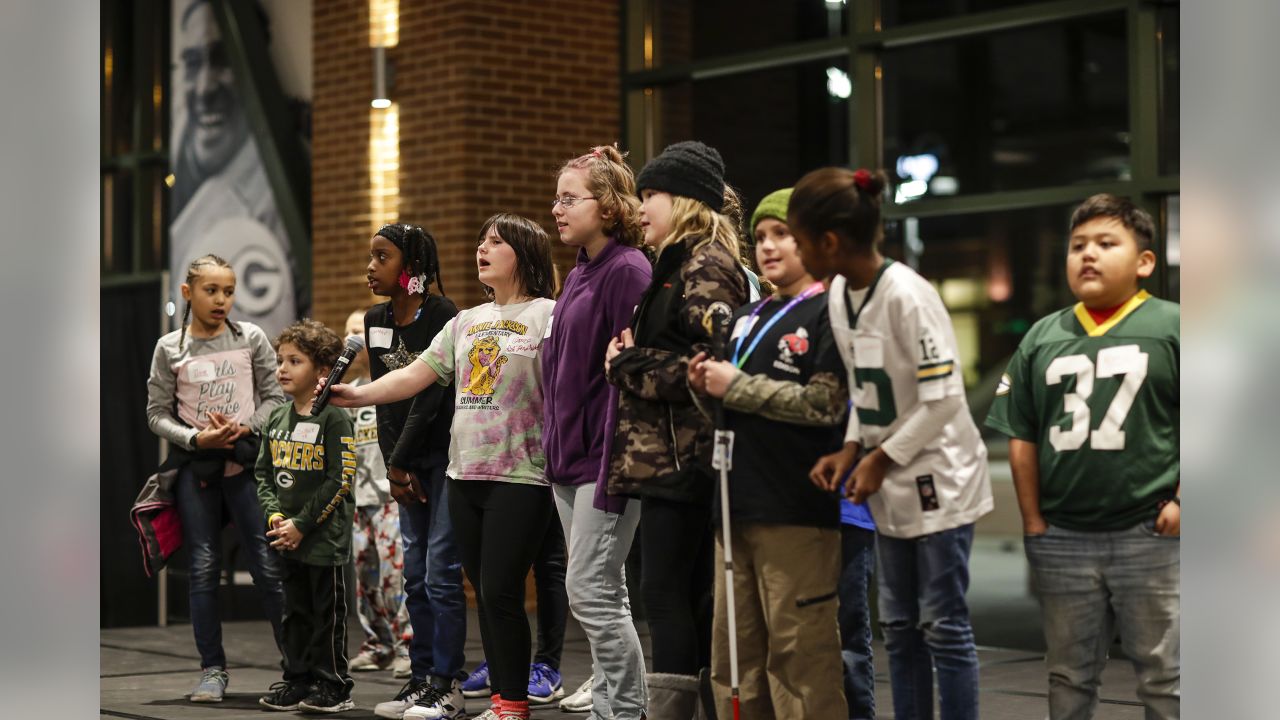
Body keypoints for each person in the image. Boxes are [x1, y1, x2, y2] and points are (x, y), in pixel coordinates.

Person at [325, 213, 558, 720]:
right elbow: (415, 376)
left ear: (525, 253)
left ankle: (508, 703)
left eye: (496, 242)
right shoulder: (465, 322)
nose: (483, 247)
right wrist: (355, 394)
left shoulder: (549, 315)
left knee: (497, 592)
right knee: (478, 592)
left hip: (521, 473)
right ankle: (500, 702)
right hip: (463, 474)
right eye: (481, 239)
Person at [791, 167, 993, 720]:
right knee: (899, 627)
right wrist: (852, 449)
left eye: (800, 239)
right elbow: (867, 390)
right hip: (889, 478)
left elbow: (945, 398)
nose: (797, 251)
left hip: (940, 477)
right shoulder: (837, 294)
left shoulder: (908, 294)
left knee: (943, 624)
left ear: (829, 241)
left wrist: (880, 457)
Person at [985, 194, 1180, 720]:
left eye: (1106, 243)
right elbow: (1021, 432)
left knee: (1164, 676)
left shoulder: (1175, 326)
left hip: (1150, 529)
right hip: (1064, 534)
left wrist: (1183, 503)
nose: (1087, 255)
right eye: (1077, 246)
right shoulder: (1043, 336)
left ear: (1144, 262)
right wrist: (1033, 521)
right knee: (1068, 675)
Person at [687, 186, 849, 718]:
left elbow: (826, 403)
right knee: (734, 660)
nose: (769, 246)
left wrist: (734, 387)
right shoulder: (744, 318)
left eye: (784, 233)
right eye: (760, 236)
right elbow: (728, 408)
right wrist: (702, 386)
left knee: (800, 657)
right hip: (734, 506)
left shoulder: (832, 310)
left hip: (794, 506)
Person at [604, 140, 749, 717]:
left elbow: (713, 371)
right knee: (678, 597)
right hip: (664, 458)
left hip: (686, 459)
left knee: (668, 595)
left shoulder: (706, 264)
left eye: (651, 194)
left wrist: (626, 365)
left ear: (687, 200)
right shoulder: (676, 264)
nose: (640, 206)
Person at [539, 144, 653, 719]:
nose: (556, 209)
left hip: (604, 464)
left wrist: (610, 467)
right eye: (555, 198)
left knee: (589, 592)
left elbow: (627, 380)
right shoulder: (580, 272)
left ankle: (626, 711)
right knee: (604, 591)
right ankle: (613, 703)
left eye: (569, 198)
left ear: (607, 207)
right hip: (568, 461)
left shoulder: (628, 271)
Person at [145, 253, 287, 704]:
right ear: (188, 293)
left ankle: (298, 665)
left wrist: (249, 427)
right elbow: (155, 414)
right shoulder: (171, 348)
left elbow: (276, 395)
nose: (222, 299)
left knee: (267, 567)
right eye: (211, 291)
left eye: (228, 291)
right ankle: (212, 670)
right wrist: (194, 438)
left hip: (247, 468)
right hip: (198, 471)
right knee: (203, 568)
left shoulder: (251, 338)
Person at [359, 224, 468, 720]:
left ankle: (449, 683)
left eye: (382, 257)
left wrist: (401, 462)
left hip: (443, 459)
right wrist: (392, 466)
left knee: (443, 574)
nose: (371, 267)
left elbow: (428, 398)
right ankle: (421, 678)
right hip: (402, 463)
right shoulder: (375, 318)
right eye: (371, 257)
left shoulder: (443, 314)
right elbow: (384, 399)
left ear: (411, 268)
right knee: (415, 576)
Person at [170, 0, 297, 335]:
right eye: (193, 63)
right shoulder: (171, 350)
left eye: (221, 60)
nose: (204, 87)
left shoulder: (275, 197)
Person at [254, 320, 357, 713]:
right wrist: (276, 515)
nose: (282, 368)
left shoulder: (334, 418)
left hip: (322, 539)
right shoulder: (277, 419)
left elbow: (340, 479)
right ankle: (297, 679)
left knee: (326, 615)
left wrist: (302, 524)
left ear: (321, 370)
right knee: (294, 613)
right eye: (281, 360)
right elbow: (263, 473)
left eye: (294, 361)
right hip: (286, 536)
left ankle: (332, 684)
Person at [342, 309, 413, 676]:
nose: (352, 339)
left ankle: (406, 645)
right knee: (365, 577)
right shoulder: (347, 394)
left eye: (359, 332)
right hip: (359, 500)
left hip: (388, 499)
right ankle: (378, 643)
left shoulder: (389, 385)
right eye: (348, 332)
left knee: (393, 576)